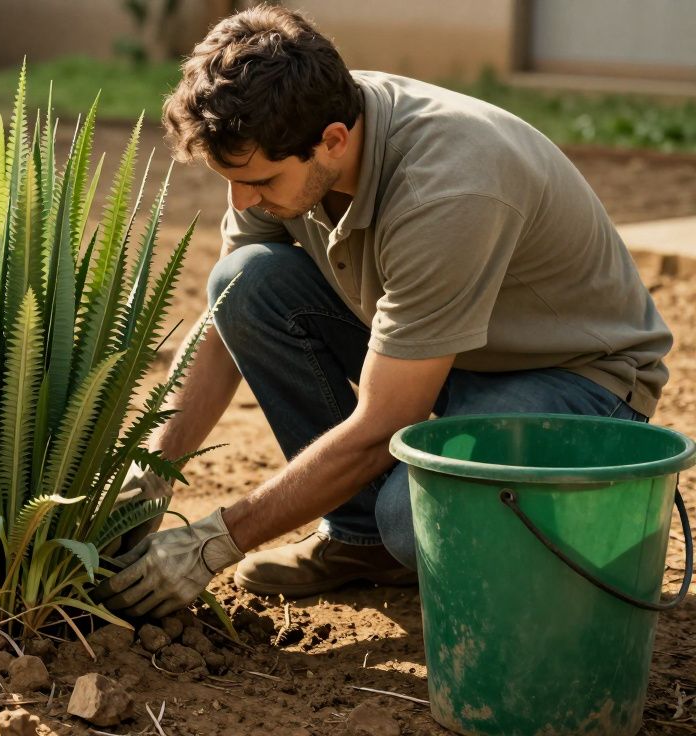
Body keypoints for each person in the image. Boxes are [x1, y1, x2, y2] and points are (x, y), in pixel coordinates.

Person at [94, 4, 672, 619]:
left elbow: (382, 425)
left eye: (259, 181)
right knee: (246, 280)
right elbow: (227, 317)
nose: (242, 199)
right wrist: (152, 472)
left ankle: (402, 541)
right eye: (230, 179)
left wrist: (216, 541)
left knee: (410, 517)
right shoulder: (289, 125)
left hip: (574, 380)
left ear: (334, 141)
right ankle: (357, 541)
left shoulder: (447, 189)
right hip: (447, 354)